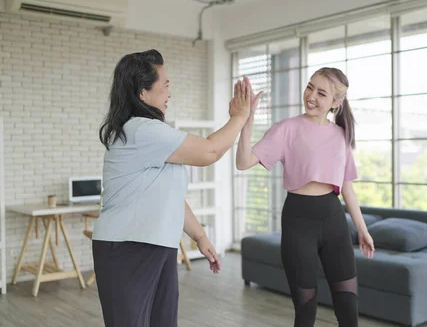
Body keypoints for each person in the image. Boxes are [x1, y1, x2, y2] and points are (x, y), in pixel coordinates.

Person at [92, 49, 259, 327]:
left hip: (157, 246)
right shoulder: (141, 130)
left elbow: (169, 197)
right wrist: (239, 117)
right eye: (166, 84)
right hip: (127, 247)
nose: (170, 91)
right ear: (142, 93)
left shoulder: (152, 134)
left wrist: (200, 237)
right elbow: (209, 151)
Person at [236, 67, 375, 327]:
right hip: (298, 222)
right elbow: (243, 162)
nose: (310, 96)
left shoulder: (340, 136)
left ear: (335, 103)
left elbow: (346, 187)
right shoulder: (286, 129)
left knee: (348, 310)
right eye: (309, 87)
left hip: (334, 221)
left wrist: (362, 230)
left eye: (321, 93)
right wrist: (247, 119)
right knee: (305, 310)